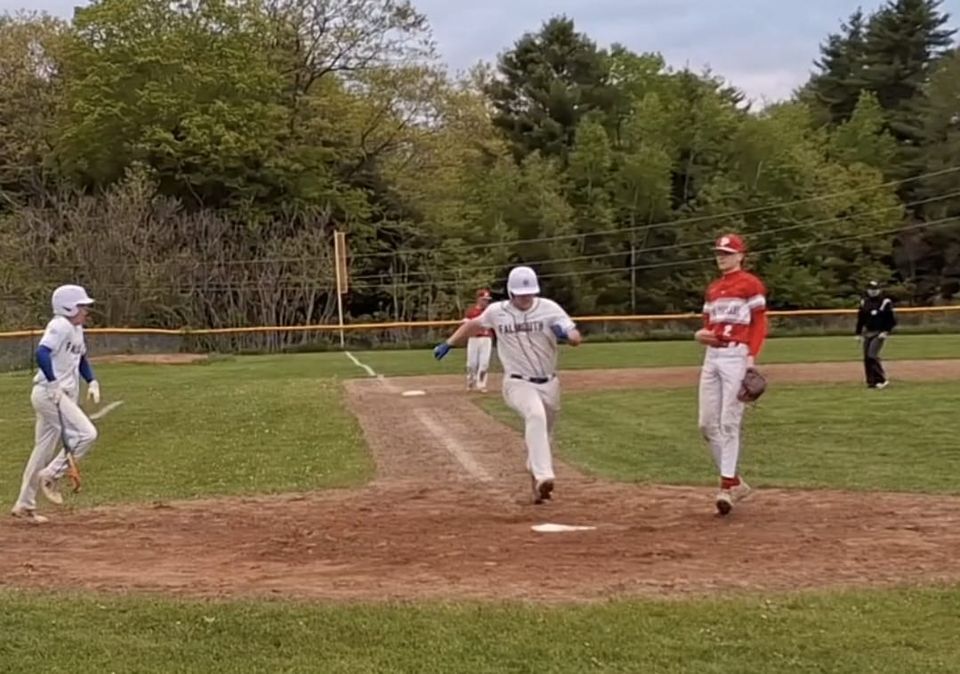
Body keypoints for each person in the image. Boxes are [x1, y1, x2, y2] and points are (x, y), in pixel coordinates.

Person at [433, 266, 582, 504]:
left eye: (530, 293)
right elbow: (473, 324)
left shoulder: (549, 308)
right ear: (511, 293)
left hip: (549, 383)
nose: (526, 298)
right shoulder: (497, 311)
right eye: (521, 294)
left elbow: (575, 335)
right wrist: (449, 343)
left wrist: (566, 335)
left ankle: (535, 475)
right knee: (535, 415)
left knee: (544, 434)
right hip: (517, 382)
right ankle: (545, 475)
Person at [11, 284, 101, 524]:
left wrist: (91, 380)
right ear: (68, 307)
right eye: (82, 306)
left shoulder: (77, 328)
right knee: (87, 434)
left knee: (42, 450)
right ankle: (51, 475)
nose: (86, 311)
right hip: (50, 394)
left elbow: (80, 358)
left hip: (61, 394)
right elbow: (41, 353)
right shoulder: (59, 325)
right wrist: (53, 383)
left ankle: (24, 504)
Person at [694, 234, 767, 516]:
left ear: (740, 256)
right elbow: (707, 325)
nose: (721, 257)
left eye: (727, 252)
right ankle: (735, 482)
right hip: (713, 356)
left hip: (736, 355)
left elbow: (759, 323)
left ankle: (725, 487)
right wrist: (702, 335)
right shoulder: (713, 289)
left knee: (729, 421)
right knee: (705, 424)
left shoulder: (751, 284)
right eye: (719, 253)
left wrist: (750, 359)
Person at [855, 281, 896, 389]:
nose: (872, 292)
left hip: (879, 332)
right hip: (867, 332)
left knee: (872, 355)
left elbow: (891, 320)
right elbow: (861, 319)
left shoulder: (885, 302)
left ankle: (881, 379)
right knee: (866, 357)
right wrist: (858, 333)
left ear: (879, 290)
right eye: (870, 289)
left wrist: (886, 331)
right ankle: (871, 382)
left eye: (875, 289)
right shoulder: (864, 302)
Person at [464, 288, 494, 392]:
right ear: (478, 299)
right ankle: (470, 381)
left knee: (484, 363)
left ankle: (481, 384)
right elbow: (466, 325)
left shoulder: (489, 311)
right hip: (473, 339)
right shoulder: (471, 311)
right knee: (471, 364)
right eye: (484, 299)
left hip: (486, 339)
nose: (486, 301)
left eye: (487, 300)